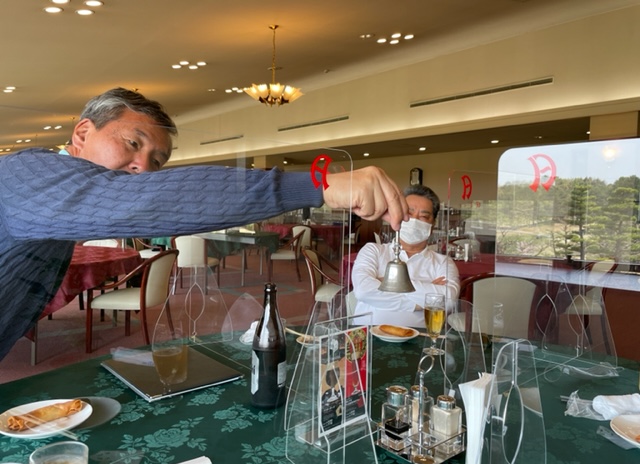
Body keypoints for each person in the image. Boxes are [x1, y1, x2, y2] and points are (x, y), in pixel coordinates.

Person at [0, 87, 408, 361]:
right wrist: (319, 183)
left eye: (157, 162)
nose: (143, 167)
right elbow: (140, 199)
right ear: (82, 132)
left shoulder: (51, 200)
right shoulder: (28, 174)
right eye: (133, 143)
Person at [351, 185, 460, 328]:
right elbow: (363, 291)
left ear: (433, 224)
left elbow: (449, 300)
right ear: (397, 215)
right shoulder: (373, 251)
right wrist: (423, 298)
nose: (414, 220)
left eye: (423, 216)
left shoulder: (443, 262)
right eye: (409, 213)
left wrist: (387, 281)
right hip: (367, 335)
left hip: (421, 338)